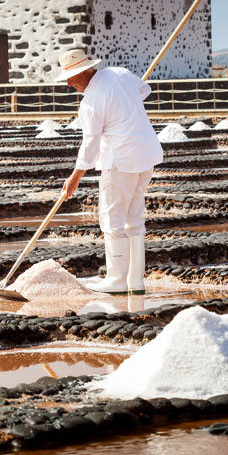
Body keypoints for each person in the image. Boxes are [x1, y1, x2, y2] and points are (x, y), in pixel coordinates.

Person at [56, 49, 163, 294]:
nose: (70, 83)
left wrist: (74, 178)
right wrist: (125, 109)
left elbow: (90, 144)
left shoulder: (91, 102)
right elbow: (144, 91)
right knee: (134, 219)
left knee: (112, 219)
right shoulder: (120, 74)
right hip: (145, 156)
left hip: (120, 162)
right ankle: (135, 282)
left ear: (85, 71)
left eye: (72, 78)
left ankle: (116, 279)